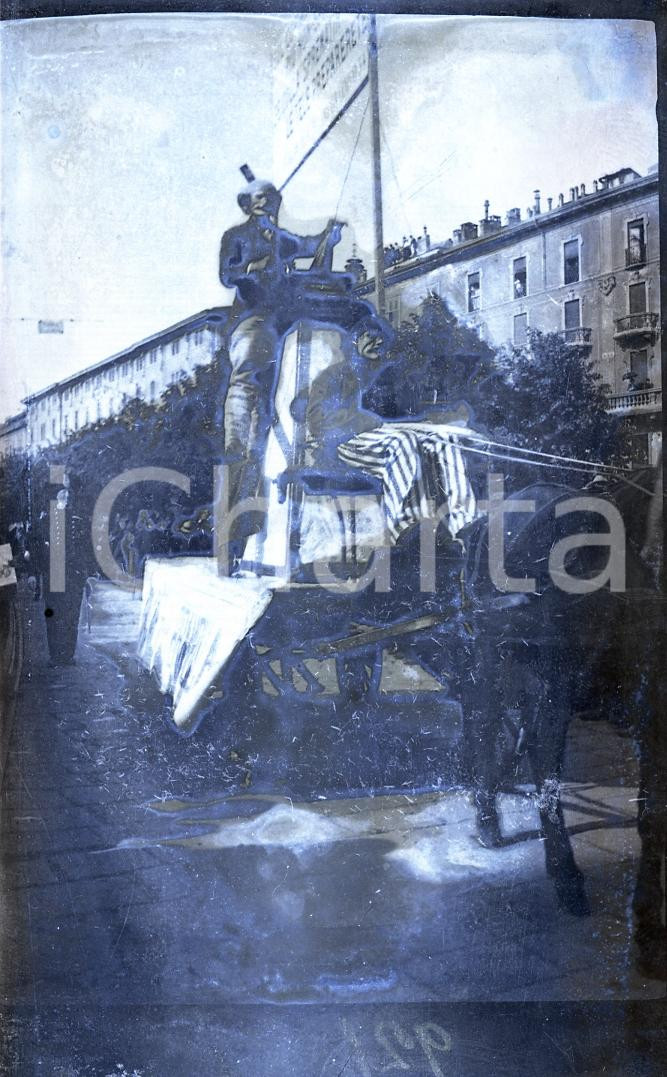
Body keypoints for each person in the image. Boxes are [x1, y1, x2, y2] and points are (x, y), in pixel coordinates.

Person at [218, 165, 389, 551]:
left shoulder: (280, 238)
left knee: (344, 320)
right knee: (249, 404)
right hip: (255, 319)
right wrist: (250, 268)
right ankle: (241, 498)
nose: (271, 205)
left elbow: (310, 247)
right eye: (263, 199)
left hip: (285, 314)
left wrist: (329, 237)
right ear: (249, 205)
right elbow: (227, 275)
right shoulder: (238, 236)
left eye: (275, 199)